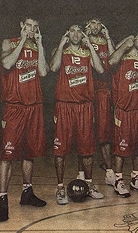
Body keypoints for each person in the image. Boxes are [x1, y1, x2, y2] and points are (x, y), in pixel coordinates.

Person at [0, 17, 48, 222]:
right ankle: (3, 200)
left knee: (30, 152)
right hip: (14, 107)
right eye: (29, 26)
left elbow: (43, 71)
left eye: (36, 27)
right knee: (8, 156)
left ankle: (27, 193)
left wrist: (40, 44)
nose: (32, 29)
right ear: (21, 26)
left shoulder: (37, 46)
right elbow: (6, 63)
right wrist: (23, 42)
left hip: (34, 106)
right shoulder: (9, 43)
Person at [49, 24, 105, 204]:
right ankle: (60, 187)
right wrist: (60, 44)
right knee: (61, 150)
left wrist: (90, 45)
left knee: (87, 149)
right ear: (67, 33)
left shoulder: (87, 52)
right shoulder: (60, 51)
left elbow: (101, 69)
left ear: (83, 35)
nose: (75, 34)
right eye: (71, 30)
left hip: (85, 106)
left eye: (78, 31)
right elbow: (53, 67)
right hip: (65, 106)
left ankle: (88, 184)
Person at [107, 31, 138, 197]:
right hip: (124, 110)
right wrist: (125, 44)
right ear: (133, 39)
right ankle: (118, 180)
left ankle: (136, 178)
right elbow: (111, 61)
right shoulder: (122, 57)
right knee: (121, 148)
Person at [77, 17, 117, 186]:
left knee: (104, 133)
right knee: (83, 134)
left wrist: (108, 37)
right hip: (85, 91)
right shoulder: (81, 40)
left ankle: (109, 171)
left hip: (103, 92)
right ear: (87, 25)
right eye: (92, 22)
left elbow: (115, 60)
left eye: (98, 23)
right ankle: (81, 173)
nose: (95, 26)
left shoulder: (105, 41)